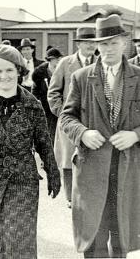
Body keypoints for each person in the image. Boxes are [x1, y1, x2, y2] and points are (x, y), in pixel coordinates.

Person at [0, 44, 61, 259]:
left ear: (19, 71)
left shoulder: (33, 105)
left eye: (9, 70)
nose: (4, 76)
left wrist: (53, 173)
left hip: (22, 181)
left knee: (17, 240)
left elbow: (44, 143)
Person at [60, 14, 140, 258]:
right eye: (104, 43)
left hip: (126, 166)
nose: (109, 48)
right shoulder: (82, 77)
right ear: (96, 45)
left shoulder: (138, 76)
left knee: (121, 234)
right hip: (92, 167)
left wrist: (135, 135)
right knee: (93, 234)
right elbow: (66, 118)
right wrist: (83, 133)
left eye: (114, 42)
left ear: (125, 43)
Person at [47, 27, 97, 208]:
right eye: (87, 42)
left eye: (93, 42)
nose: (91, 45)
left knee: (92, 158)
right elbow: (53, 93)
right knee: (67, 160)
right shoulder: (65, 63)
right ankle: (70, 197)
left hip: (93, 122)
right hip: (70, 121)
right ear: (79, 44)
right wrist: (63, 114)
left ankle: (89, 194)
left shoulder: (100, 63)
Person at [32, 48, 63, 147]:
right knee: (49, 132)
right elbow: (35, 91)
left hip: (58, 106)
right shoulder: (39, 74)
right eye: (55, 58)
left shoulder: (62, 71)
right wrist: (37, 103)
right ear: (49, 60)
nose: (58, 60)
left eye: (59, 58)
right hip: (45, 107)